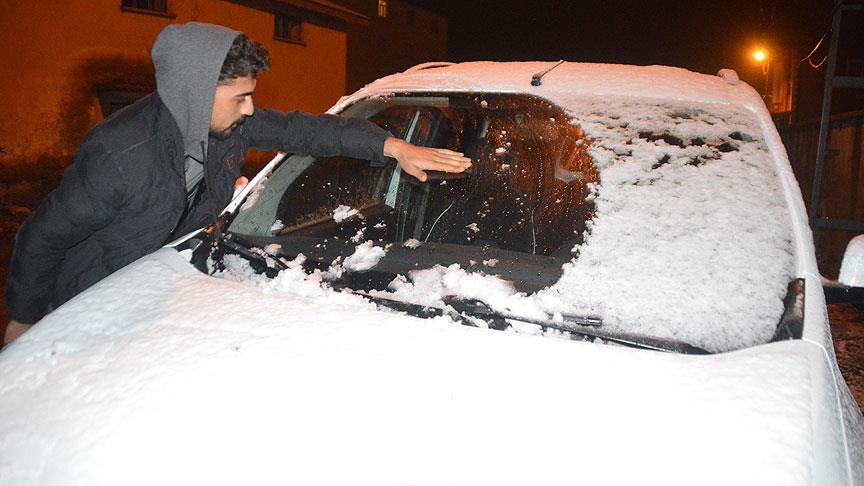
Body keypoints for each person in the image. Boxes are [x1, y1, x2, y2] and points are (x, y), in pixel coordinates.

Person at [3, 22, 470, 345]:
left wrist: (393, 147)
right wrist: (23, 320)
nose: (250, 109)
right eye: (240, 98)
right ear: (194, 95)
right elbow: (43, 236)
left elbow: (309, 131)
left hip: (159, 285)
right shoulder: (119, 156)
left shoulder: (227, 124)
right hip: (90, 296)